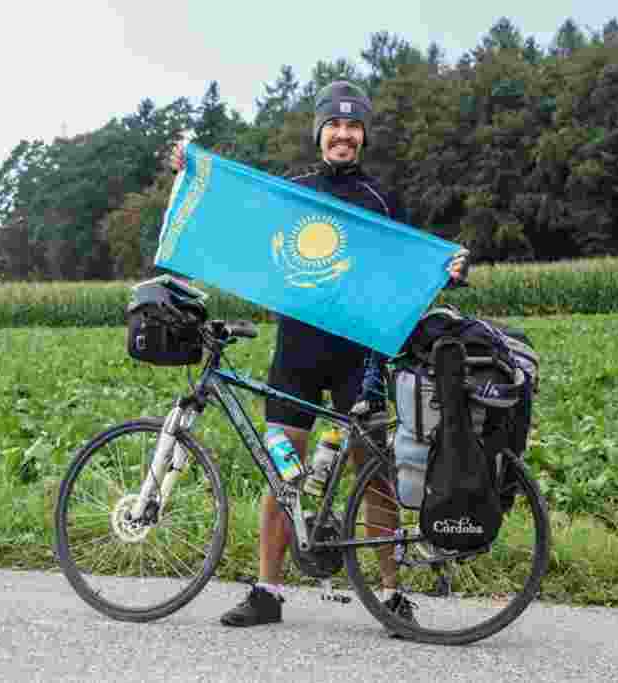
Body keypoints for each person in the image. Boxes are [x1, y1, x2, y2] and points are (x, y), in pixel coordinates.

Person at [169, 80, 468, 632]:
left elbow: (415, 261)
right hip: (297, 355)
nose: (345, 134)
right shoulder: (293, 192)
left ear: (364, 136)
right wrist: (192, 175)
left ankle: (391, 594)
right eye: (335, 124)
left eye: (354, 127)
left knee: (374, 477)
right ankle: (267, 591)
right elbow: (235, 219)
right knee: (284, 472)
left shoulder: (382, 201)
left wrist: (448, 268)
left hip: (362, 359)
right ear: (320, 131)